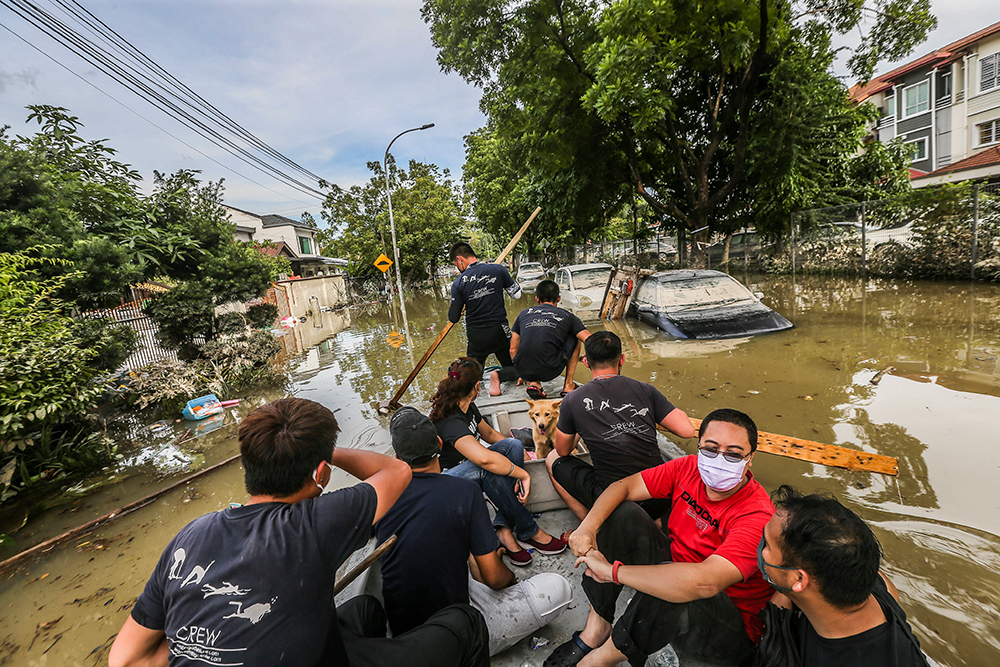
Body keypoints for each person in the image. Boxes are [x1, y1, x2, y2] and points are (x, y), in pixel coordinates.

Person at [109, 397, 489, 667]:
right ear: (321, 474)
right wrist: (322, 452)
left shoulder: (191, 534)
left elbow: (126, 658)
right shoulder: (314, 525)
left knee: (367, 610)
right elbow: (397, 472)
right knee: (466, 622)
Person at [544, 408, 774, 667]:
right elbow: (623, 487)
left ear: (750, 458)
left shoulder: (757, 515)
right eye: (710, 449)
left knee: (681, 584)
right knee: (623, 513)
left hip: (725, 624)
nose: (719, 460)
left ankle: (597, 661)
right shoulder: (688, 469)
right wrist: (587, 527)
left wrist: (612, 572)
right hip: (680, 569)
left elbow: (704, 584)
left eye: (733, 454)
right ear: (699, 447)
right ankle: (597, 627)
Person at [377, 406, 573, 655]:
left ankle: (490, 543)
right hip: (456, 639)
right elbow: (495, 580)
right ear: (439, 443)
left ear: (396, 457)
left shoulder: (379, 495)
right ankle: (508, 533)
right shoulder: (463, 492)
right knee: (559, 587)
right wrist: (510, 580)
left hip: (404, 635)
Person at [757, 486, 929, 667]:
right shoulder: (869, 584)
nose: (761, 548)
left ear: (799, 579)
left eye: (767, 545)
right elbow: (891, 590)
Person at [546, 330, 696, 521]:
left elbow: (563, 450)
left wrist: (580, 425)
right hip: (657, 496)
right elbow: (687, 430)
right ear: (622, 359)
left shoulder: (573, 400)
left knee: (552, 459)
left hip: (613, 501)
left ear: (586, 362)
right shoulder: (645, 389)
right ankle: (655, 522)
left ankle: (593, 525)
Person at [431, 357, 566, 565]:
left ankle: (503, 527)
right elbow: (484, 459)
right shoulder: (451, 419)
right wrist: (522, 473)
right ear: (477, 386)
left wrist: (519, 454)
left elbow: (490, 435)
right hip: (448, 480)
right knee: (488, 470)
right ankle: (528, 529)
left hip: (470, 468)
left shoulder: (468, 407)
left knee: (513, 445)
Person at [448, 241, 521, 396]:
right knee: (516, 367)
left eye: (456, 264)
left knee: (473, 373)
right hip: (499, 331)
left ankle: (476, 388)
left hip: (476, 336)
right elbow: (517, 294)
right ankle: (499, 376)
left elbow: (453, 317)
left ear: (460, 259)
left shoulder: (458, 283)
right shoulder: (498, 269)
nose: (457, 268)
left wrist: (462, 305)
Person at [510, 279, 591, 399]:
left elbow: (512, 349)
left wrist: (523, 373)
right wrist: (589, 354)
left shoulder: (523, 314)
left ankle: (534, 383)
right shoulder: (568, 316)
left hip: (524, 370)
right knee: (575, 335)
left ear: (537, 299)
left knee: (530, 336)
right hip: (550, 370)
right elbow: (589, 339)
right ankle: (568, 385)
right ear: (558, 298)